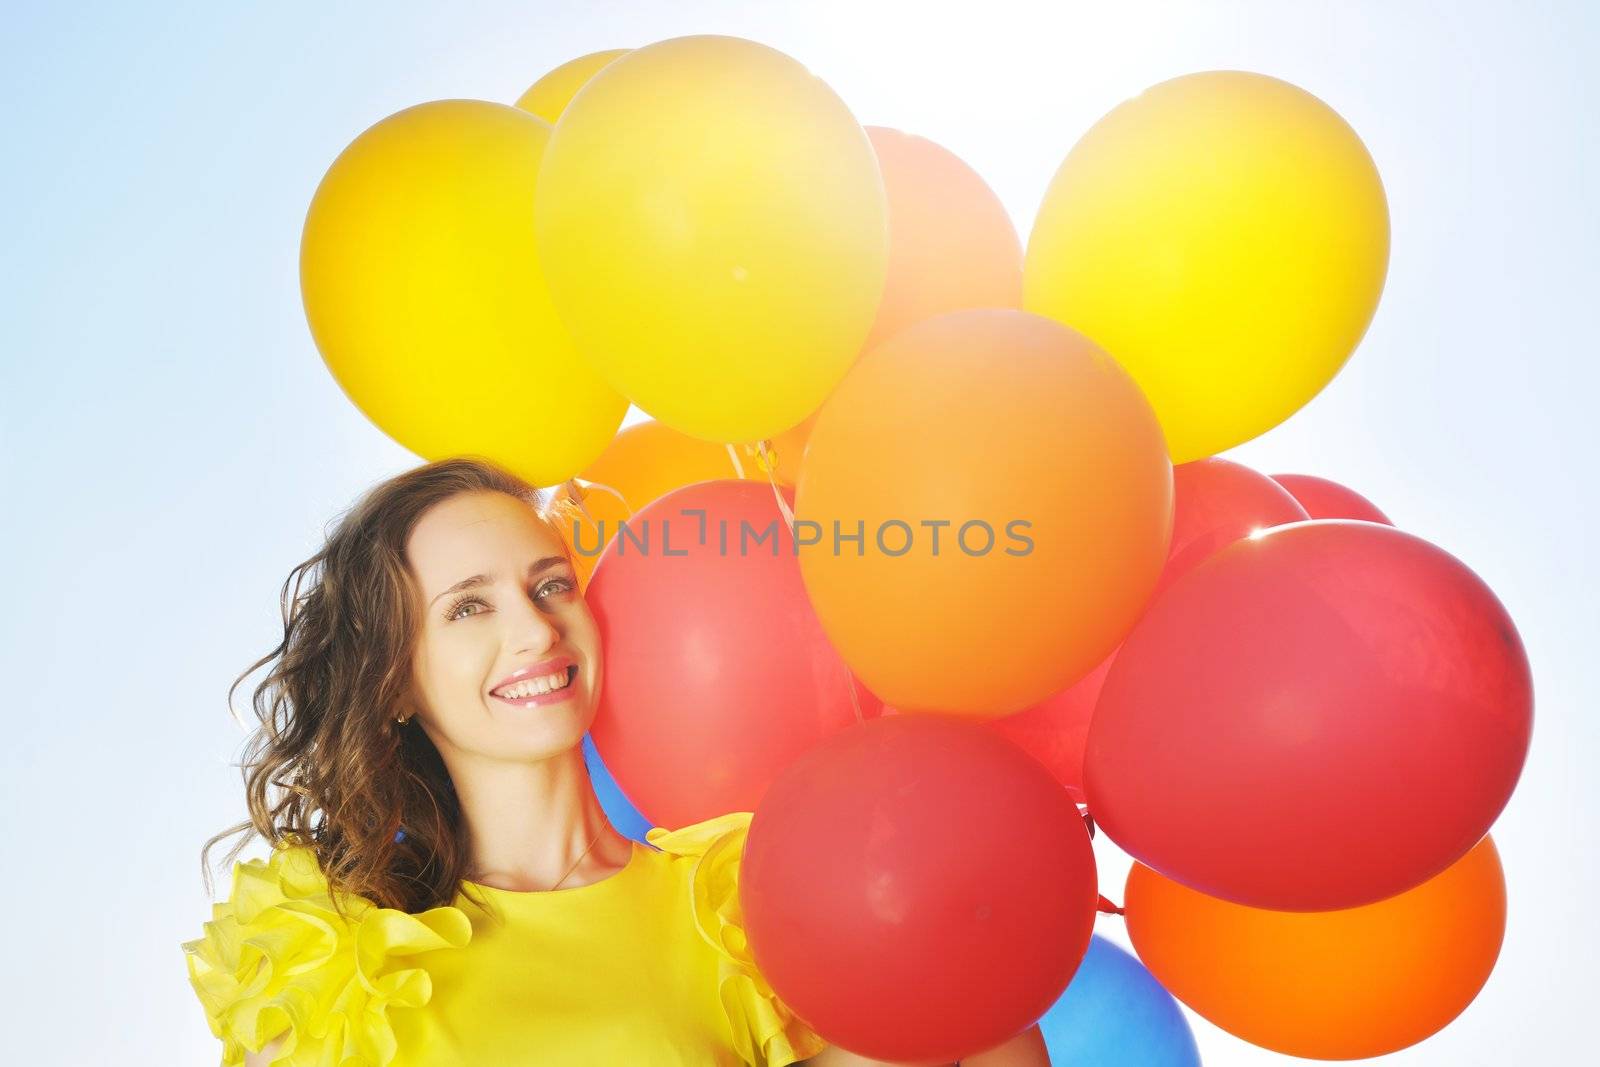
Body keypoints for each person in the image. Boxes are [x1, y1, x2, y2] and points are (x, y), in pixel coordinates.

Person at [183, 456, 1050, 1066]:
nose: (533, 629)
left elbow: (972, 1019)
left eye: (549, 583)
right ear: (394, 681)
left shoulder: (737, 905)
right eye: (468, 608)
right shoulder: (330, 955)